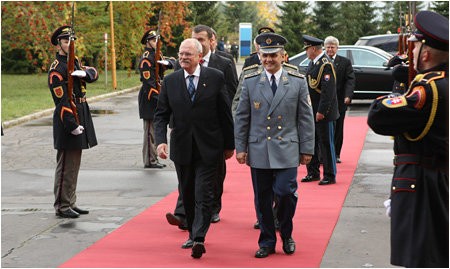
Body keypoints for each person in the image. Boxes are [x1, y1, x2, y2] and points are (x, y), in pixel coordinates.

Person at [367, 10, 449, 268]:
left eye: (414, 48)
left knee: (422, 258)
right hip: (438, 177)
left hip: (424, 183)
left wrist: (404, 85)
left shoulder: (428, 89)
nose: (410, 53)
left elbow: (379, 116)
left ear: (425, 53)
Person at [234, 33, 315, 258]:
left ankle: (286, 234)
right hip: (259, 148)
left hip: (287, 148)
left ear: (283, 56)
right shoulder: (251, 82)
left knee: (286, 192)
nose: (268, 60)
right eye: (264, 55)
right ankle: (267, 241)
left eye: (273, 55)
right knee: (262, 198)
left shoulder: (297, 81)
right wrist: (240, 147)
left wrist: (307, 149)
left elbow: (305, 118)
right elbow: (242, 117)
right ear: (259, 55)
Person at [155, 38, 235, 258]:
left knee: (204, 193)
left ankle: (199, 237)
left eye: (188, 54)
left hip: (210, 147)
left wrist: (230, 145)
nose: (183, 58)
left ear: (200, 56)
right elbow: (161, 114)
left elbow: (225, 114)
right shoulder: (170, 81)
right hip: (182, 148)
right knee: (187, 192)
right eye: (181, 54)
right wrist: (160, 140)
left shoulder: (215, 78)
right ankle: (192, 231)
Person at [48, 25, 99, 218]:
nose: (70, 44)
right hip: (68, 119)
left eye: (72, 40)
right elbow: (61, 101)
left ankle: (71, 201)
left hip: (81, 111)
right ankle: (62, 205)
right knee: (66, 165)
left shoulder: (74, 63)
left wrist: (86, 74)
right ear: (58, 44)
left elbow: (94, 72)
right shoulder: (58, 68)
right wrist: (71, 124)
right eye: (66, 41)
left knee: (74, 164)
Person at [301, 35, 339, 185]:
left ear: (313, 49)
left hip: (323, 113)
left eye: (307, 49)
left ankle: (329, 174)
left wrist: (322, 111)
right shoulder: (314, 63)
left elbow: (327, 91)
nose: (306, 52)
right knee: (312, 142)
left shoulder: (326, 65)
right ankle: (313, 172)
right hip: (311, 110)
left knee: (326, 144)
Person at [324, 36, 355, 164]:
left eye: (332, 47)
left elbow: (350, 80)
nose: (330, 49)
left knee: (338, 127)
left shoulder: (345, 62)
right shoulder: (321, 61)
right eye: (328, 47)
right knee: (323, 128)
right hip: (324, 101)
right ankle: (323, 154)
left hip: (339, 100)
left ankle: (336, 153)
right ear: (324, 48)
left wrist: (348, 95)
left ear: (337, 48)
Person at [138, 29, 166, 169]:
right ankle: (150, 160)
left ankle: (153, 158)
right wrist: (159, 99)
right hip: (149, 97)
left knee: (154, 130)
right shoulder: (146, 59)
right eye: (154, 41)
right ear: (148, 42)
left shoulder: (156, 55)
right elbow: (149, 84)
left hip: (156, 94)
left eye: (157, 40)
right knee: (150, 131)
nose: (156, 43)